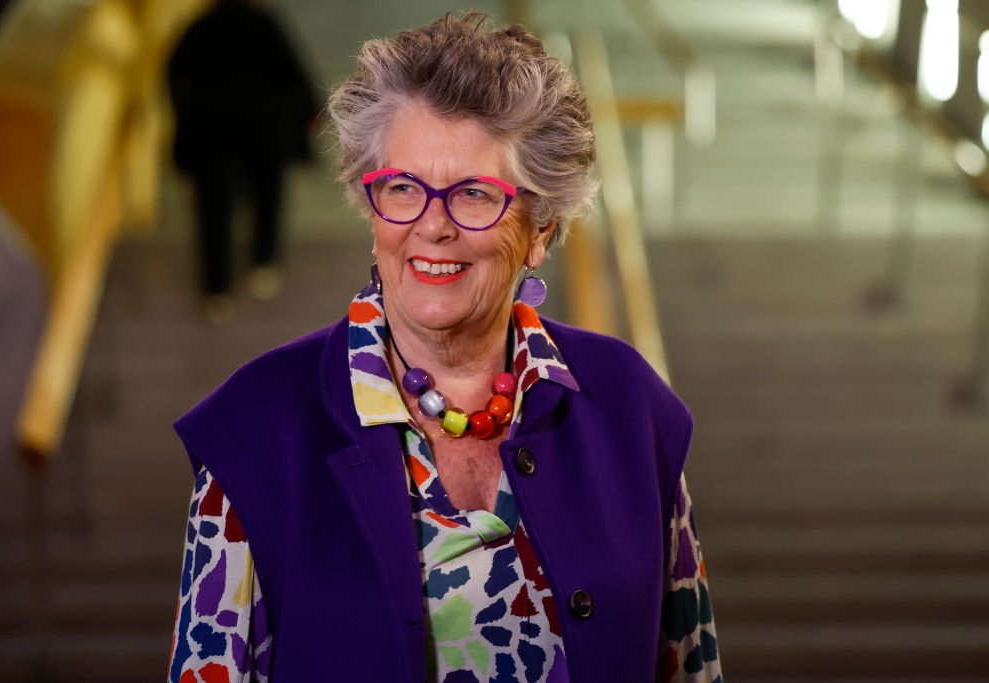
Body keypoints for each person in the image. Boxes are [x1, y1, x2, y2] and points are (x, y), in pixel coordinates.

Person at [168, 12, 720, 682]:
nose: (432, 225)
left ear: (540, 228)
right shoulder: (255, 429)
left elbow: (691, 667)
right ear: (371, 210)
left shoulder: (630, 406)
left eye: (475, 194)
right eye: (403, 188)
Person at [167, 0, 320, 322]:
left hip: (212, 134)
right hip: (263, 131)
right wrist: (309, 112)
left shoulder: (200, 27)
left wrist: (184, 120)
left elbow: (174, 77)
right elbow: (293, 71)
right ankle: (263, 263)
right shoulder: (264, 23)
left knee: (213, 212)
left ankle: (216, 289)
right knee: (267, 198)